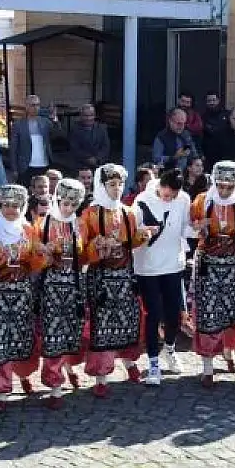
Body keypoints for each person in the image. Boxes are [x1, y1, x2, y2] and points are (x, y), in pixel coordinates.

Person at [0, 184, 48, 412]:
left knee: (22, 337)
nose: (10, 210)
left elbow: (36, 263)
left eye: (15, 206)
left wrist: (40, 256)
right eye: (5, 205)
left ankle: (23, 374)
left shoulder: (28, 230)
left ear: (23, 207)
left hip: (23, 292)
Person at [81, 164, 149, 394]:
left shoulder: (128, 212)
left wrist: (143, 236)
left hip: (125, 275)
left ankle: (130, 362)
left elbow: (133, 242)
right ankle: (101, 376)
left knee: (128, 320)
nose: (117, 189)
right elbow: (81, 249)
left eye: (120, 184)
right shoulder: (90, 213)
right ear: (102, 186)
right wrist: (96, 246)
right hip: (101, 277)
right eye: (111, 184)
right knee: (102, 325)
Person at [189, 162, 235, 387]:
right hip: (208, 263)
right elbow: (190, 227)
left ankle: (228, 350)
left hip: (232, 264)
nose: (224, 191)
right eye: (221, 186)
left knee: (232, 310)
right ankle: (207, 365)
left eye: (229, 186)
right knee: (207, 313)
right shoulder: (202, 200)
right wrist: (199, 226)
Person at [132, 168, 191, 385]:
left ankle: (170, 348)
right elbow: (132, 232)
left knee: (174, 315)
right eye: (166, 195)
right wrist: (143, 233)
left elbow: (186, 227)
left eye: (173, 196)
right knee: (154, 313)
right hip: (148, 267)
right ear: (159, 186)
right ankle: (153, 363)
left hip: (173, 264)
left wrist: (199, 230)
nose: (170, 199)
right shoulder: (142, 200)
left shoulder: (183, 199)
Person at [34, 179, 88, 408]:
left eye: (73, 205)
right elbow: (33, 256)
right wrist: (44, 253)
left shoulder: (80, 224)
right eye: (65, 203)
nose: (68, 208)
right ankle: (55, 385)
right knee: (53, 334)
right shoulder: (43, 223)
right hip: (51, 286)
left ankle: (67, 366)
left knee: (72, 332)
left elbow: (85, 255)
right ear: (57, 200)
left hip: (74, 284)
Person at [9, 95, 61, 186]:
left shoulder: (45, 122)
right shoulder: (18, 125)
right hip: (26, 166)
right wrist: (14, 169)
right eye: (33, 105)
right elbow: (13, 148)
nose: (36, 108)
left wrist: (54, 119)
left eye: (38, 105)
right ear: (26, 106)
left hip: (44, 165)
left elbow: (58, 134)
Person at [68, 104, 111, 171]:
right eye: (86, 115)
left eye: (91, 115)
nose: (88, 118)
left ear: (95, 116)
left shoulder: (102, 128)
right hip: (81, 165)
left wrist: (97, 158)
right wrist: (88, 158)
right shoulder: (75, 129)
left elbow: (106, 147)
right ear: (81, 116)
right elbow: (75, 148)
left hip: (100, 164)